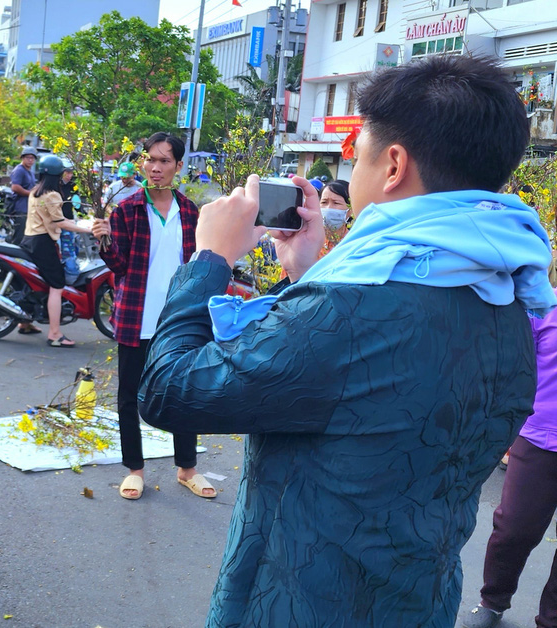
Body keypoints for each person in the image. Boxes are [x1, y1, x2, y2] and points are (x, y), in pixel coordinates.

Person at [137, 55, 554, 627]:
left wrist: (209, 257)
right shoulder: (511, 299)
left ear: (393, 166)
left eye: (354, 158)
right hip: (418, 600)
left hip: (304, 604)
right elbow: (365, 393)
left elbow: (169, 390)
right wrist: (306, 277)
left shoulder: (347, 312)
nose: (350, 175)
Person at [91, 132, 213, 501]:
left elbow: (196, 265)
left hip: (178, 320)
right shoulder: (127, 209)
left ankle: (187, 467)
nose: (155, 168)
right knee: (129, 394)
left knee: (183, 393)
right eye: (150, 159)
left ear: (178, 166)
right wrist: (104, 238)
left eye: (164, 161)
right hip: (136, 316)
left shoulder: (190, 211)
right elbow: (119, 266)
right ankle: (135, 469)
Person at [464, 260, 557, 628]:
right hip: (538, 437)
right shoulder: (545, 308)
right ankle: (493, 600)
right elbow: (514, 370)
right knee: (514, 529)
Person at [18, 154, 92, 347]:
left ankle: (25, 322)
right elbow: (61, 223)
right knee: (57, 285)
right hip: (43, 242)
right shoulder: (52, 195)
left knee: (34, 280)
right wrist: (87, 228)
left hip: (29, 239)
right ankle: (55, 333)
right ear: (56, 175)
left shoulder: (35, 191)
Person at [8, 147, 38, 245]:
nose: (30, 160)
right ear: (23, 158)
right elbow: (15, 187)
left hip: (28, 207)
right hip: (20, 208)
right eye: (28, 158)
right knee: (19, 236)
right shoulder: (19, 170)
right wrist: (31, 194)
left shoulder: (30, 171)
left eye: (32, 158)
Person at [319, 179, 352, 253]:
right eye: (324, 202)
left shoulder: (353, 242)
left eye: (336, 203)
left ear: (350, 210)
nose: (329, 208)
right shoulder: (311, 239)